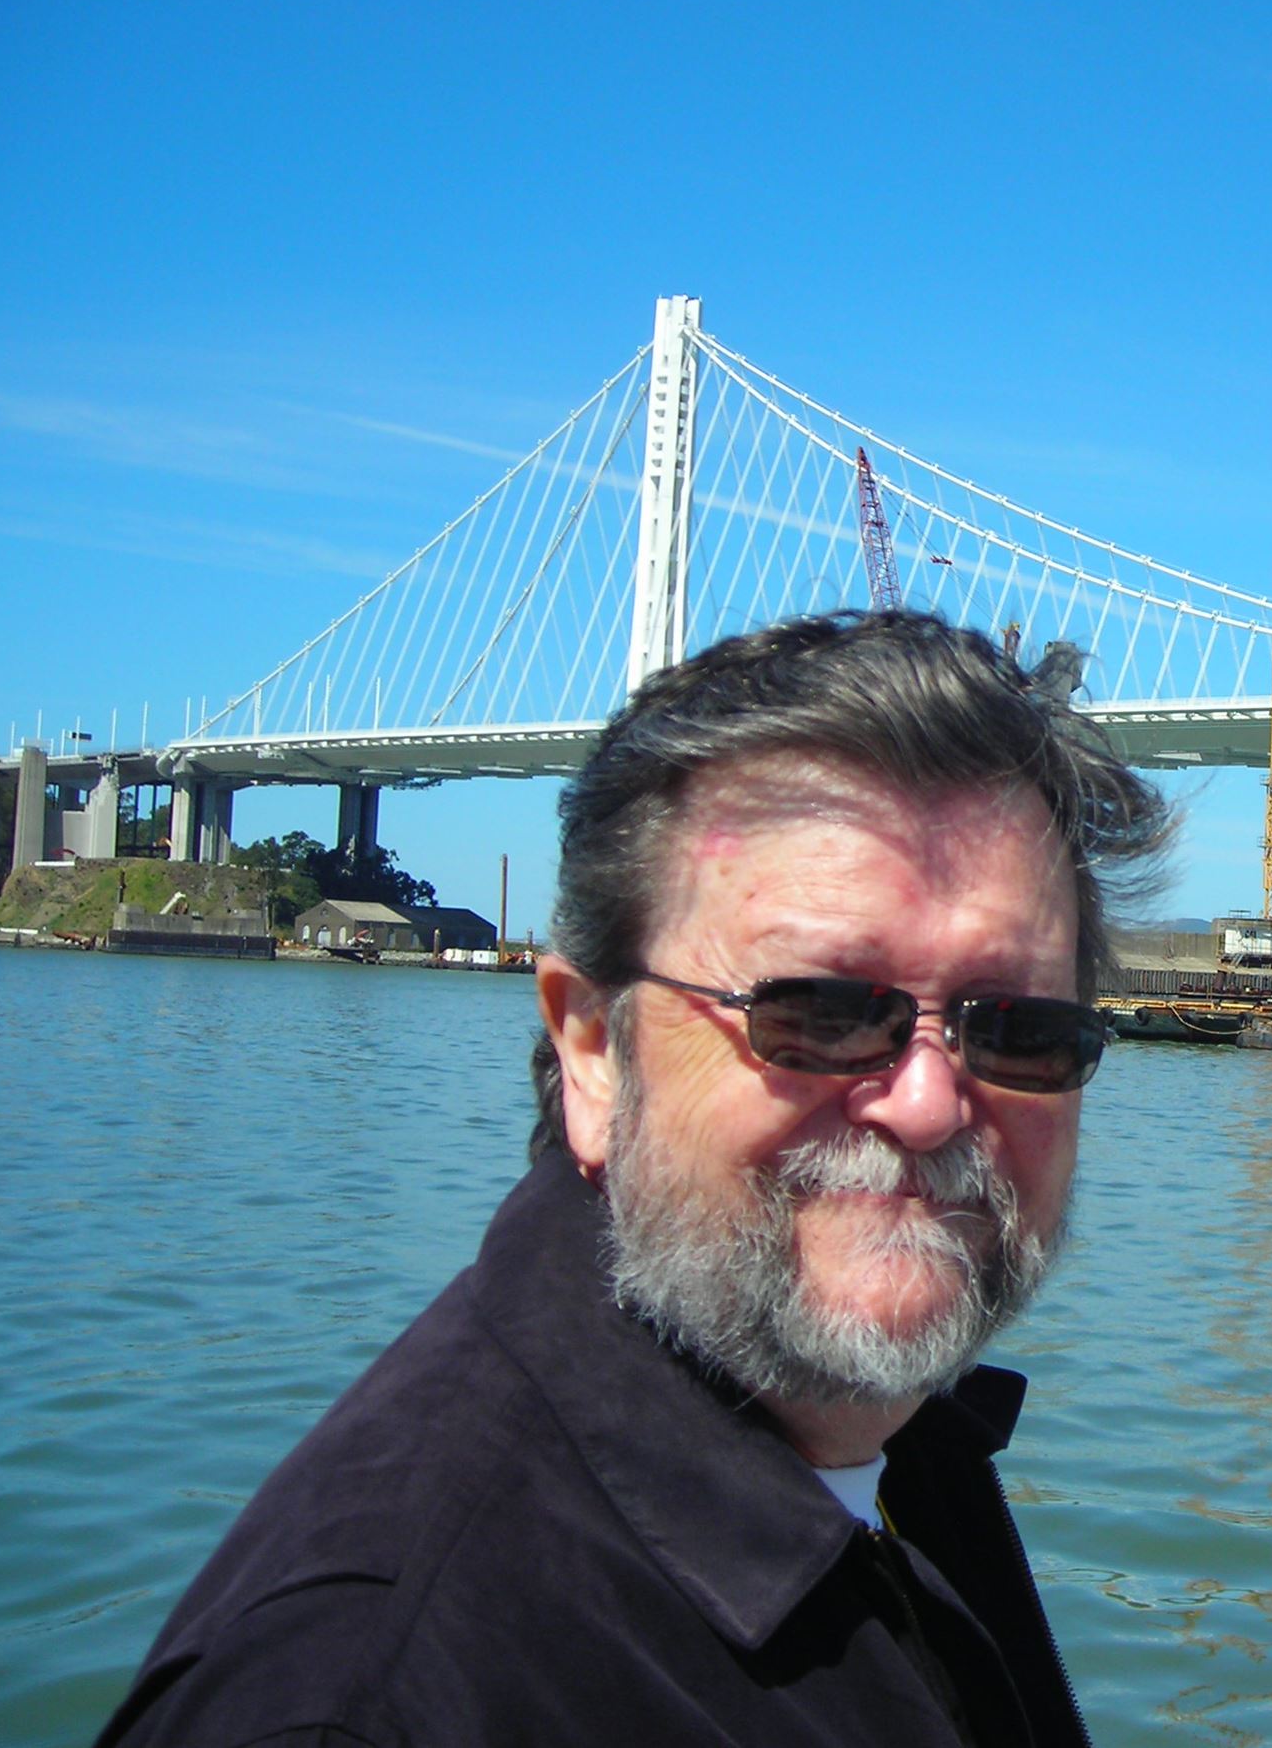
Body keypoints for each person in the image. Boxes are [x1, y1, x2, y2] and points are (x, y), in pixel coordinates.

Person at [99, 611, 1169, 1748]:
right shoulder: (363, 1700)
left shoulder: (898, 1458)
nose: (926, 1104)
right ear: (594, 1052)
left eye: (1018, 1029)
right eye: (821, 1012)